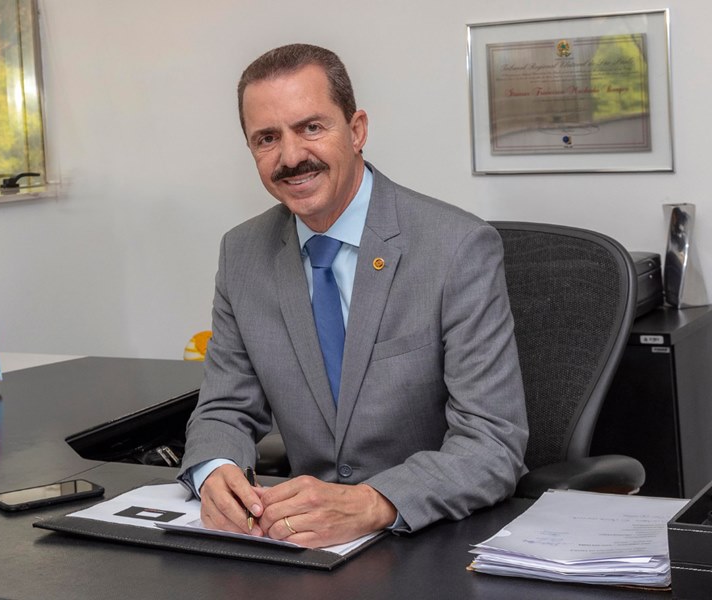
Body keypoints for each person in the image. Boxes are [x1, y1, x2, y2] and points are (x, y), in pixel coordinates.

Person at [178, 43, 528, 548]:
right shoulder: (242, 254)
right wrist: (215, 471)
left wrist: (372, 502)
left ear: (357, 129)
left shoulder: (456, 248)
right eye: (267, 138)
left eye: (311, 127)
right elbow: (224, 408)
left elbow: (492, 444)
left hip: (432, 537)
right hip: (306, 544)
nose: (291, 157)